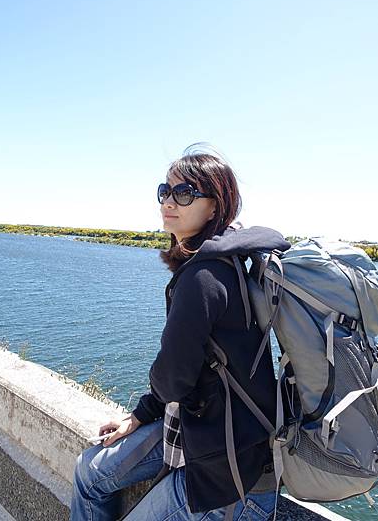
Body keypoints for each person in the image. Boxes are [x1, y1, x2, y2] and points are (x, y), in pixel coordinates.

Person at [71, 145, 290, 521]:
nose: (169, 202)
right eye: (165, 191)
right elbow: (191, 372)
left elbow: (172, 377)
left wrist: (146, 407)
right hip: (210, 433)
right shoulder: (227, 262)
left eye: (185, 193)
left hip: (233, 482)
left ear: (215, 206)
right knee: (90, 472)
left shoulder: (203, 277)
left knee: (94, 474)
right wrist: (141, 414)